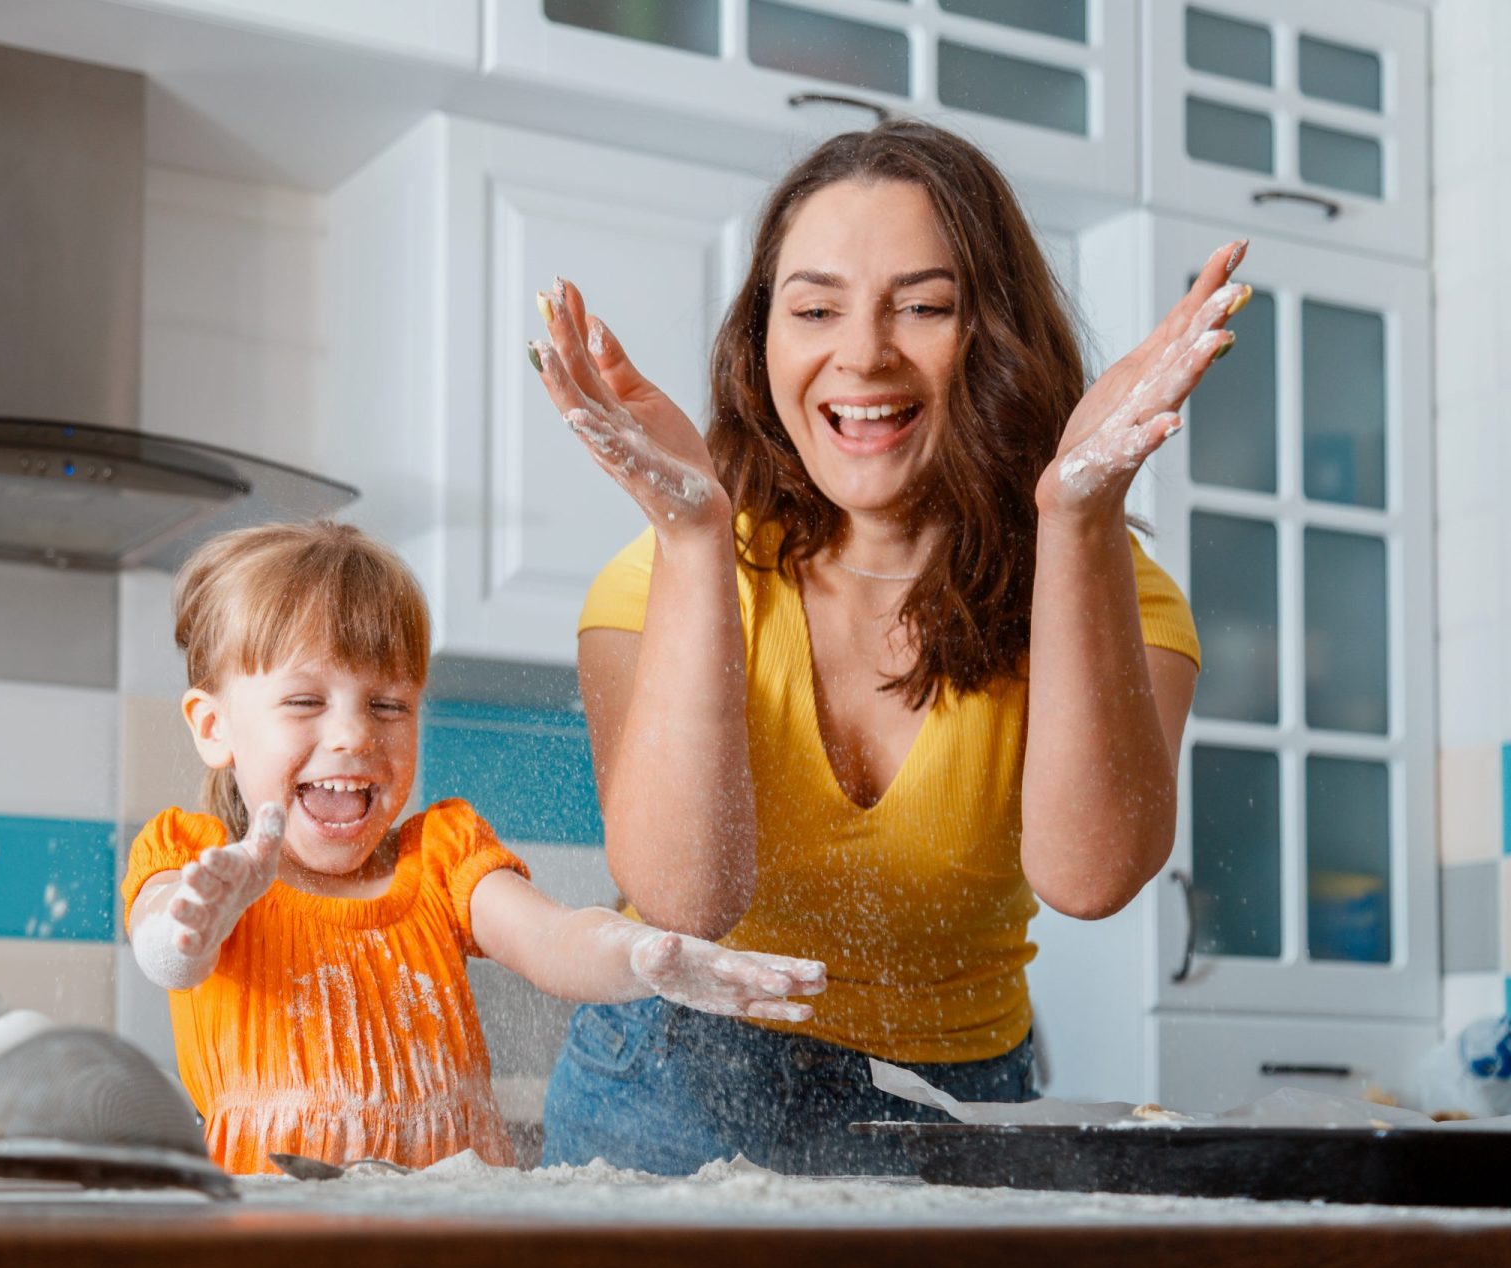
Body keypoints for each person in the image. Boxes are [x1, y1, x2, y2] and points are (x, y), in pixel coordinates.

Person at [528, 120, 1238, 1174]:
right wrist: (690, 537)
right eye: (815, 308)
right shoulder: (659, 576)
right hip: (664, 1095)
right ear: (762, 339)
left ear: (992, 334)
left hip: (952, 1116)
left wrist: (1079, 513)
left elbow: (1090, 874)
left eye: (924, 306)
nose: (862, 353)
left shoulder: (1110, 590)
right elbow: (688, 898)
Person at [120, 521, 827, 1174]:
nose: (355, 735)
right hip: (274, 1240)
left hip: (451, 1236)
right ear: (213, 727)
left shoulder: (442, 856)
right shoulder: (196, 861)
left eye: (388, 705)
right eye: (306, 702)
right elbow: (168, 953)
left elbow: (552, 938)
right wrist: (193, 923)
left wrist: (643, 957)